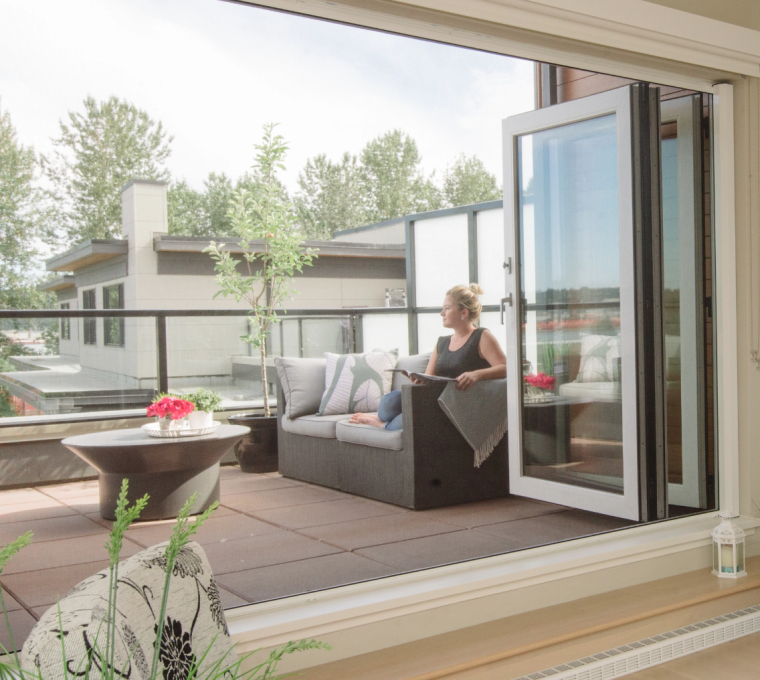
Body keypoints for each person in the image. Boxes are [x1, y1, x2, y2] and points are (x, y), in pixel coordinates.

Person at [350, 283, 507, 431]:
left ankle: (381, 424)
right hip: (432, 398)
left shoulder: (481, 336)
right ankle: (383, 419)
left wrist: (476, 374)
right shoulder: (442, 342)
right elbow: (428, 377)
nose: (441, 313)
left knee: (406, 420)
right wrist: (419, 379)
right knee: (390, 402)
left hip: (455, 404)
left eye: (447, 308)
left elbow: (506, 368)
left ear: (463, 313)